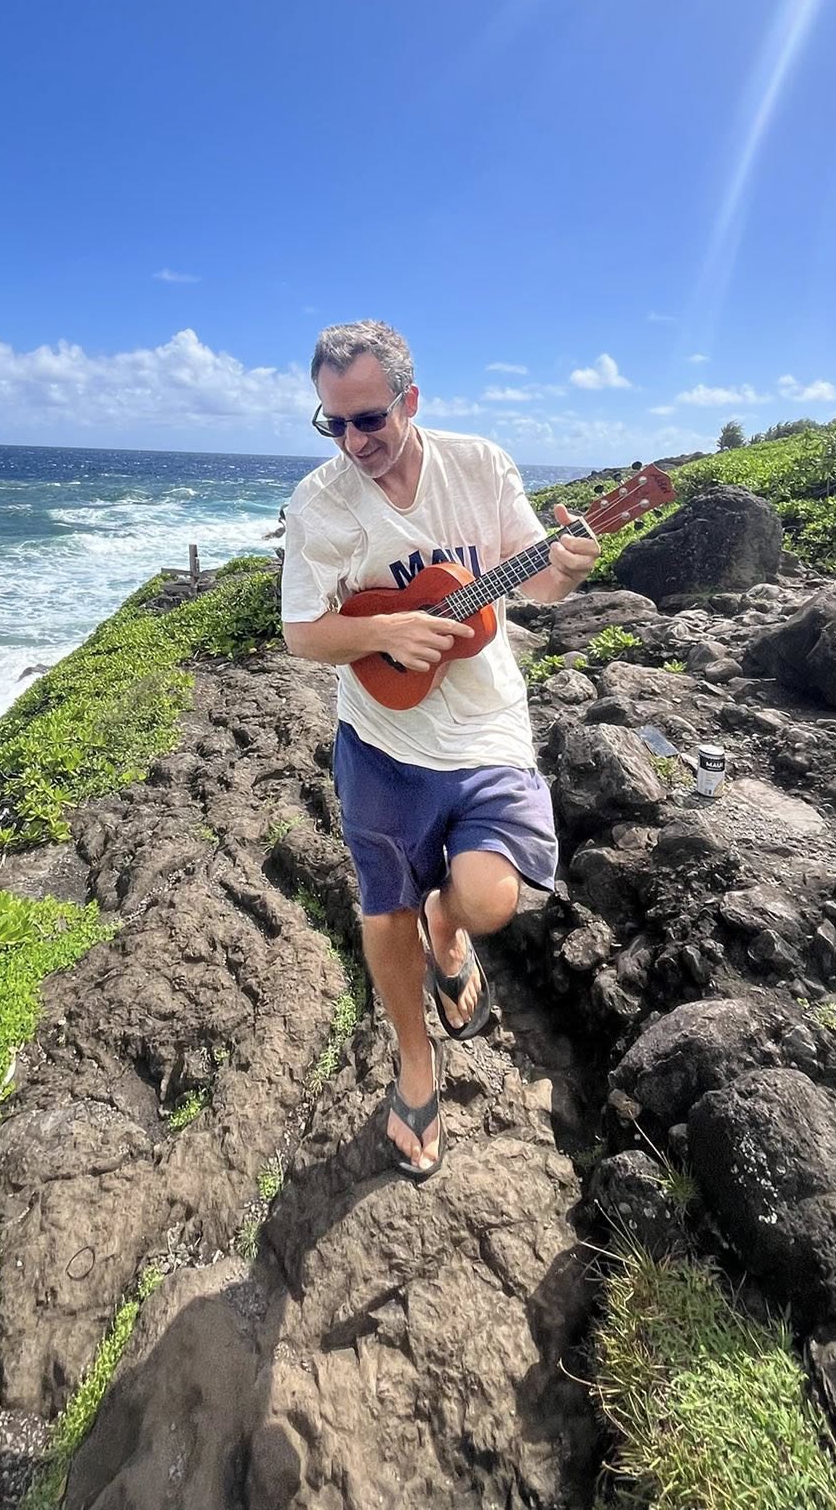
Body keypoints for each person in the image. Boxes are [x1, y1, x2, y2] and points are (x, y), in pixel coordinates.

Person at [280, 320, 598, 1180]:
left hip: (487, 725)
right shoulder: (320, 503)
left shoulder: (479, 466)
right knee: (385, 908)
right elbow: (303, 632)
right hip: (383, 735)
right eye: (334, 424)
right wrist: (384, 631)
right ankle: (415, 1064)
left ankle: (449, 930)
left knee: (492, 898)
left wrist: (568, 566)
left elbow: (537, 577)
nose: (354, 442)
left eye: (370, 419)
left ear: (410, 400)